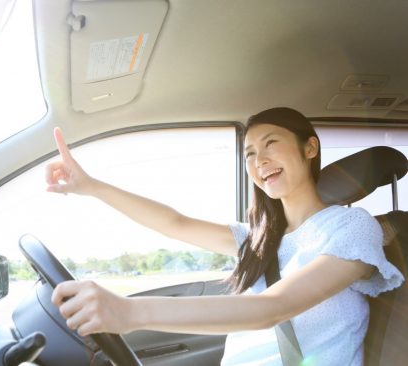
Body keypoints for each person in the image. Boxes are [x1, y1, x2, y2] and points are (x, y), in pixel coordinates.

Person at [46, 107, 404, 365]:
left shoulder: (353, 229)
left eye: (271, 143)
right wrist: (91, 186)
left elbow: (272, 309)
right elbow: (175, 222)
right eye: (249, 153)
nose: (258, 160)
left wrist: (130, 312)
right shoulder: (258, 240)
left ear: (309, 148)